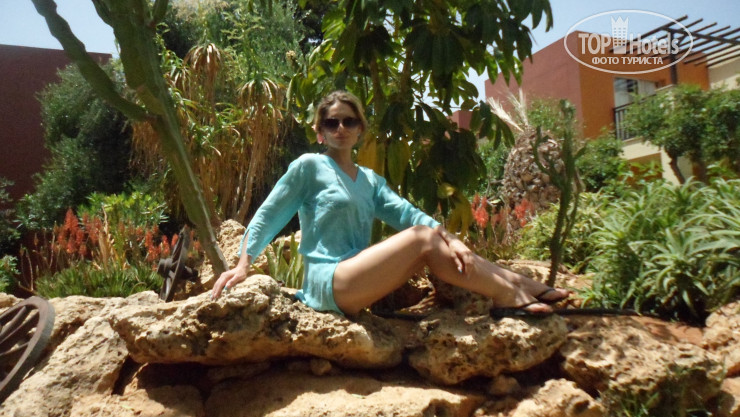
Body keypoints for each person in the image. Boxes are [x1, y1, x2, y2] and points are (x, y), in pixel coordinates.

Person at [211, 91, 570, 316]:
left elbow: (408, 214)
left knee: (435, 242)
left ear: (360, 129)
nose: (341, 128)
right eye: (331, 122)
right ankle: (508, 294)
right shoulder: (309, 167)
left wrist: (453, 239)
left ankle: (522, 285)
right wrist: (244, 263)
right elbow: (270, 213)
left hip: (359, 277)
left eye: (349, 121)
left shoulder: (370, 181)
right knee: (424, 238)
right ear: (320, 132)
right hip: (328, 281)